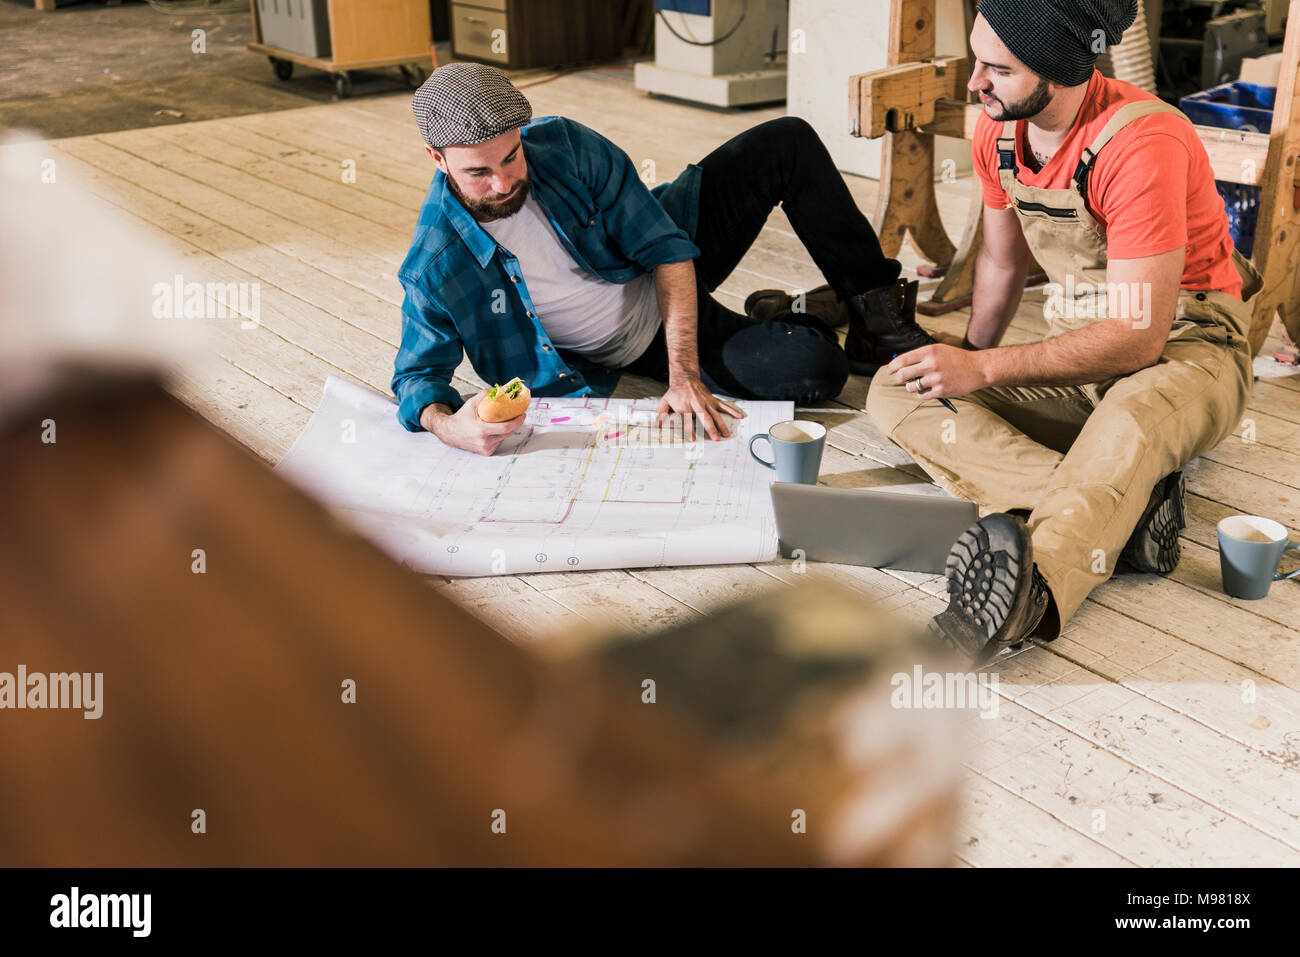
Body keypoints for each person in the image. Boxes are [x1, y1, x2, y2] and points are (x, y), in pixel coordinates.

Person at [866, 0, 1262, 665]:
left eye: (998, 69)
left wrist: (988, 376)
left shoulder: (1141, 141)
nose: (975, 84)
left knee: (1130, 417)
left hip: (1186, 347)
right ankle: (1125, 513)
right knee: (897, 387)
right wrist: (967, 360)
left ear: (1061, 71)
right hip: (1080, 350)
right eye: (977, 61)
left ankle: (1029, 596)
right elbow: (999, 260)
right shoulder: (996, 129)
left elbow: (1138, 340)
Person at [392, 62, 937, 455]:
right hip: (636, 345)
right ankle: (794, 314)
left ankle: (876, 318)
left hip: (664, 263)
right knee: (819, 371)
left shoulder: (564, 146)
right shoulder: (435, 261)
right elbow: (417, 375)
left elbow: (666, 249)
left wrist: (686, 376)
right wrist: (447, 426)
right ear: (436, 158)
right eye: (479, 173)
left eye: (512, 157)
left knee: (784, 141)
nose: (505, 180)